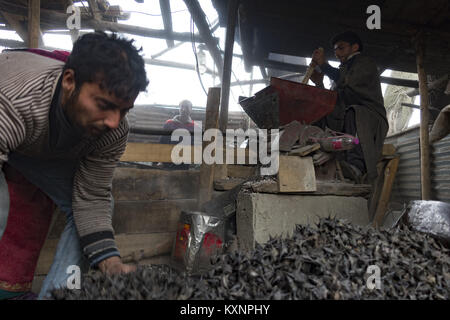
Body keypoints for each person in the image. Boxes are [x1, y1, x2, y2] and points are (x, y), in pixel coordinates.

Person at [0, 31, 148, 299]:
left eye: (124, 110)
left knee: (97, 205)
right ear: (69, 80)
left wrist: (110, 263)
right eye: (103, 105)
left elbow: (91, 197)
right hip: (14, 120)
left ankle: (58, 294)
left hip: (31, 141)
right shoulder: (14, 98)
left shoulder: (113, 132)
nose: (115, 121)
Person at [310, 31, 388, 184]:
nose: (338, 53)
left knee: (355, 113)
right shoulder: (343, 70)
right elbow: (332, 100)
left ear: (355, 47)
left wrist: (324, 66)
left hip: (370, 118)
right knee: (322, 115)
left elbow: (349, 84)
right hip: (348, 119)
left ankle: (356, 166)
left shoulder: (365, 64)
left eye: (341, 48)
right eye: (335, 50)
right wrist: (319, 83)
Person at [159, 100, 198, 169]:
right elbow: (162, 141)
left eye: (187, 107)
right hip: (168, 160)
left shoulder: (195, 127)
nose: (184, 109)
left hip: (185, 161)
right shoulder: (169, 123)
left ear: (191, 109)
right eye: (182, 107)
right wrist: (161, 160)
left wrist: (193, 161)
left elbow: (196, 146)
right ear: (179, 108)